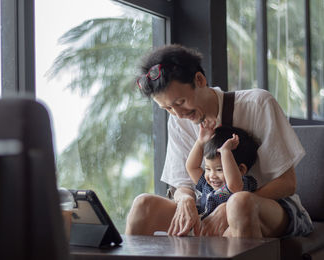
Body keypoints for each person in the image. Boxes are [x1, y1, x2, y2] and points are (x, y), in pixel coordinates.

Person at [125, 44, 313, 238]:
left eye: (180, 102)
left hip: (271, 208)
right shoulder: (177, 122)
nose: (178, 114)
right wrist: (185, 200)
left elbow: (287, 183)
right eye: (168, 109)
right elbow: (183, 184)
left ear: (199, 79)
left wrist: (228, 207)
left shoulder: (257, 104)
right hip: (208, 206)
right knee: (143, 205)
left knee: (238, 204)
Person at [186, 125, 258, 225]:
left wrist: (225, 152)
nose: (212, 175)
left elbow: (234, 185)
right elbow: (192, 167)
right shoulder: (207, 186)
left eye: (219, 170)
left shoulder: (243, 184)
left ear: (241, 169)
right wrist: (200, 142)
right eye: (208, 169)